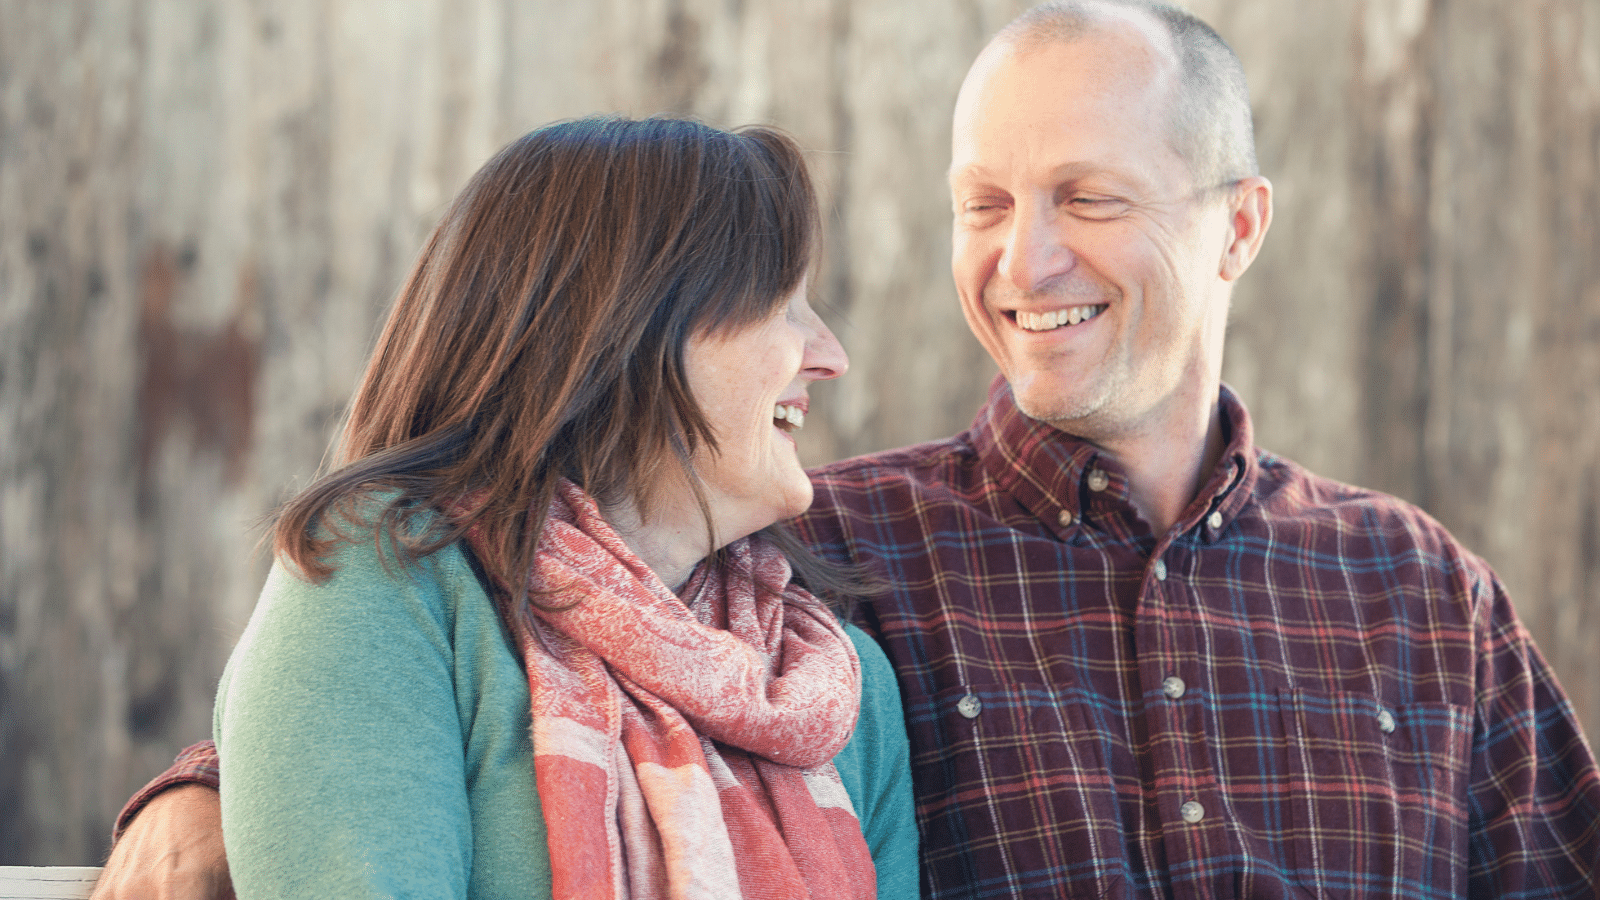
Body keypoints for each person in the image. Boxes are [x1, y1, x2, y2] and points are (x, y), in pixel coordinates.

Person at [95, 1, 1600, 898]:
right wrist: (202, 788)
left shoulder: (1418, 591)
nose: (1026, 257)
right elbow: (512, 606)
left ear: (1239, 227)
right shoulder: (835, 563)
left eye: (1087, 195)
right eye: (986, 202)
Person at [95, 114, 919, 899]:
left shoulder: (830, 685)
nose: (831, 357)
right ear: (628, 328)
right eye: (784, 306)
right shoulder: (392, 581)